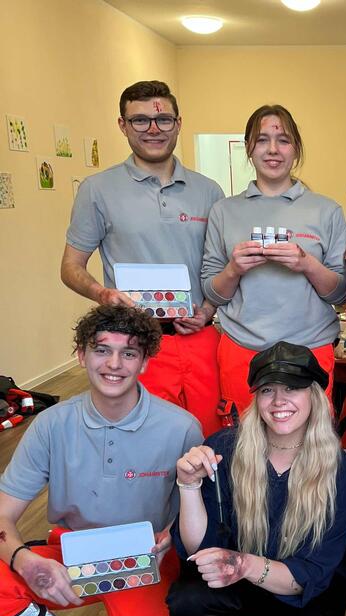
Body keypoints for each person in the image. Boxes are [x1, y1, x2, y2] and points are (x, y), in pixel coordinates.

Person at [0, 305, 202, 616]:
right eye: (101, 350)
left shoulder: (182, 427)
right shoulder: (50, 425)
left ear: (146, 362)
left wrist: (171, 539)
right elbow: (3, 515)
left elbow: (197, 515)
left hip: (146, 565)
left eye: (128, 354)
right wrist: (23, 560)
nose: (113, 364)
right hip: (72, 557)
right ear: (80, 355)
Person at [166, 341, 346, 616]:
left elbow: (313, 572)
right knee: (187, 600)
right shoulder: (224, 447)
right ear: (255, 396)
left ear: (315, 395)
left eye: (293, 387)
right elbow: (197, 549)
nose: (278, 400)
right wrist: (187, 487)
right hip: (239, 577)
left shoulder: (337, 466)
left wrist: (247, 565)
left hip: (303, 584)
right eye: (268, 389)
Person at [60, 80, 225, 436]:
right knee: (144, 439)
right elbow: (71, 267)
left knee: (209, 435)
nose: (153, 129)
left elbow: (221, 268)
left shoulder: (209, 191)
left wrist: (208, 311)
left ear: (179, 123)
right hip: (134, 342)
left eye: (163, 119)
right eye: (139, 121)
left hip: (201, 337)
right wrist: (104, 296)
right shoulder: (97, 190)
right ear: (122, 125)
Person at [201, 105, 346, 414]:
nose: (272, 150)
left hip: (310, 348)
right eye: (262, 139)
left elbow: (340, 293)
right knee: (242, 446)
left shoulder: (326, 211)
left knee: (310, 446)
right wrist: (234, 269)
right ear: (248, 148)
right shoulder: (224, 211)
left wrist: (307, 263)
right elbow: (212, 292)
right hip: (242, 348)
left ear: (296, 148)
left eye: (283, 140)